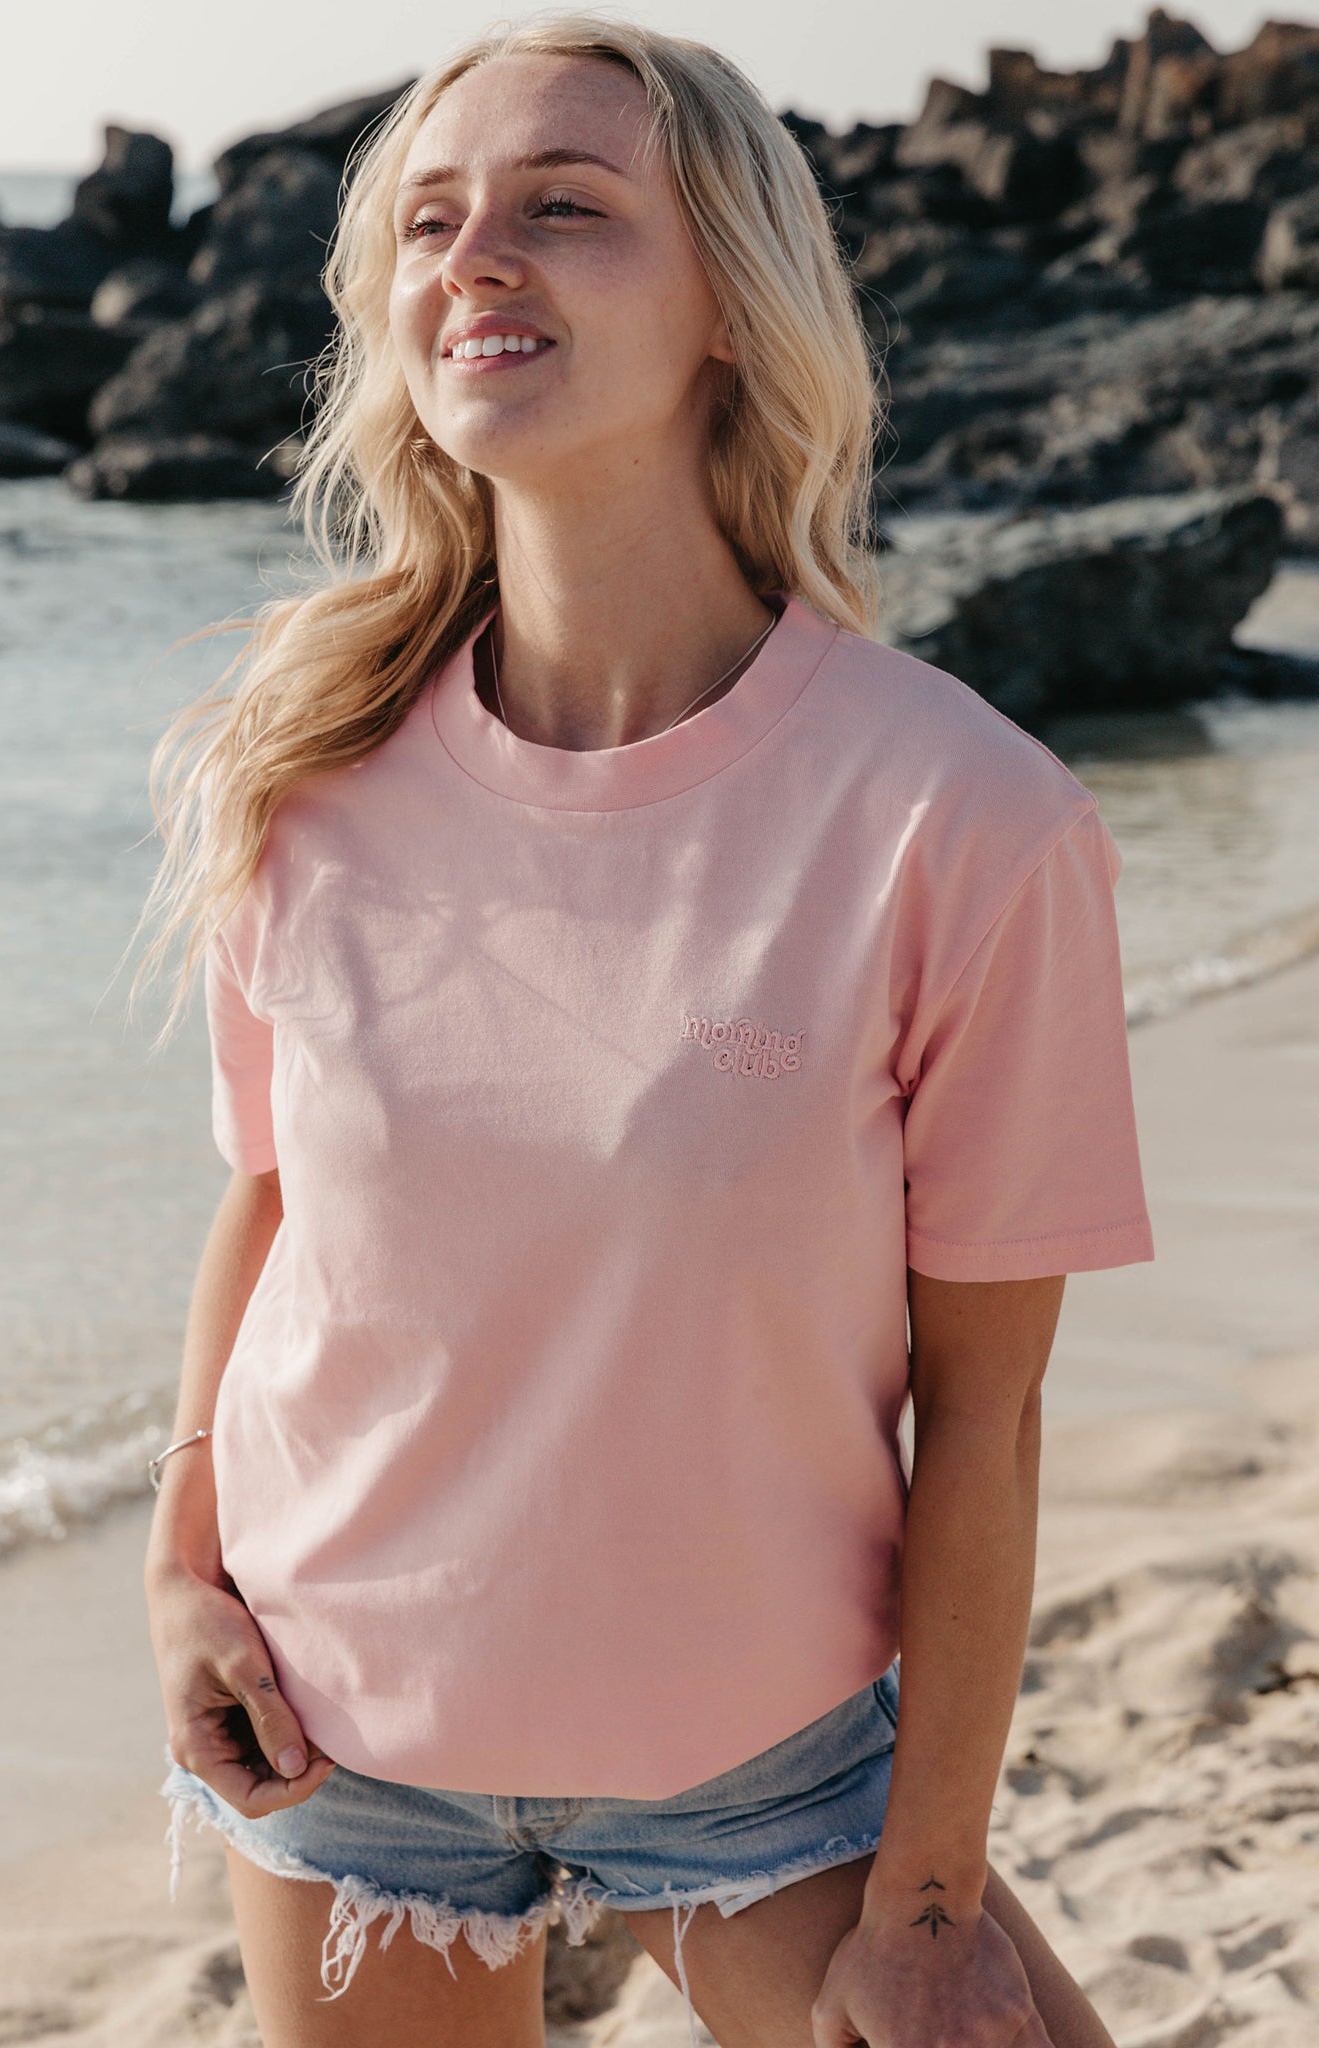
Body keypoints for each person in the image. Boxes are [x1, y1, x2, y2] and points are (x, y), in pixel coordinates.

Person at [137, 17, 1155, 2047]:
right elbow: (274, 1212)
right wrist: (180, 1564)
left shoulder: (961, 819)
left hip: (767, 1760)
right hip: (340, 1744)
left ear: (725, 309)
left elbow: (987, 1414)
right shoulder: (303, 774)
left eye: (564, 211)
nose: (475, 259)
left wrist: (932, 1895)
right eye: (431, 221)